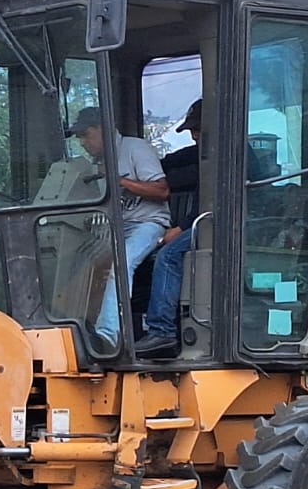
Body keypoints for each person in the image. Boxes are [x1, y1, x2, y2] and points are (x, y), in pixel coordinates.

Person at [63, 106, 169, 354]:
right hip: (115, 228)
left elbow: (161, 190)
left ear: (104, 129)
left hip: (147, 222)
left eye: (86, 135)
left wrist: (118, 179)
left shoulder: (135, 148)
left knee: (122, 263)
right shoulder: (94, 164)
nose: (83, 143)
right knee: (80, 264)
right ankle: (73, 331)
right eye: (79, 138)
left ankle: (109, 336)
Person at [139, 99, 203, 357]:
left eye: (198, 129)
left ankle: (162, 331)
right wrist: (146, 168)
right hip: (204, 222)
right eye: (192, 131)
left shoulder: (232, 155)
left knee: (168, 256)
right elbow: (172, 162)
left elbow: (221, 202)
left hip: (229, 226)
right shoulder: (201, 153)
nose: (194, 135)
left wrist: (181, 228)